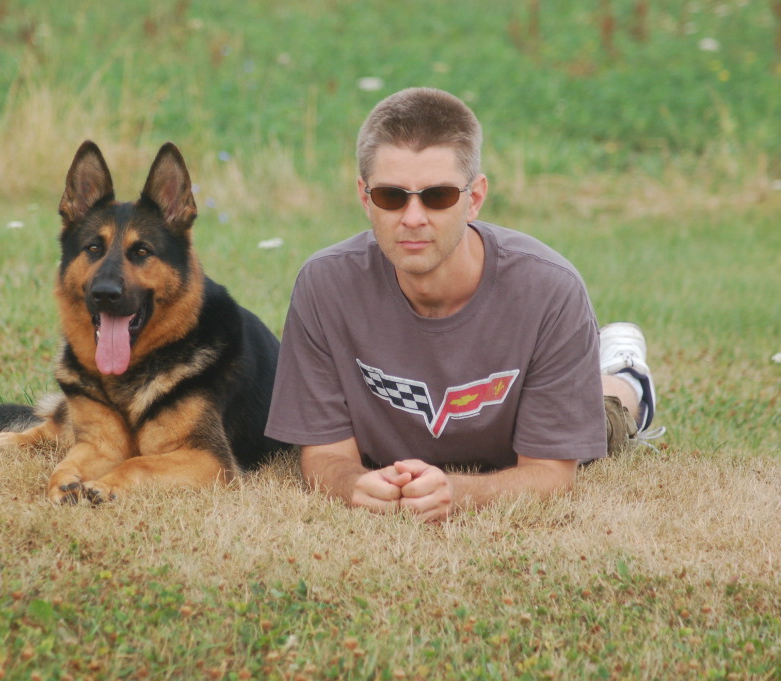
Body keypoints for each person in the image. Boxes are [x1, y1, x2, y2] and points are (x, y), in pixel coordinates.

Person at [265, 88, 661, 523]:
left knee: (605, 418)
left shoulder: (550, 290)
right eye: (391, 196)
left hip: (516, 430)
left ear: (474, 198)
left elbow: (550, 473)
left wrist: (458, 491)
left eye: (437, 196)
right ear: (364, 197)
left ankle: (627, 374)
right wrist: (353, 484)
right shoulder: (324, 287)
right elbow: (324, 455)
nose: (413, 217)